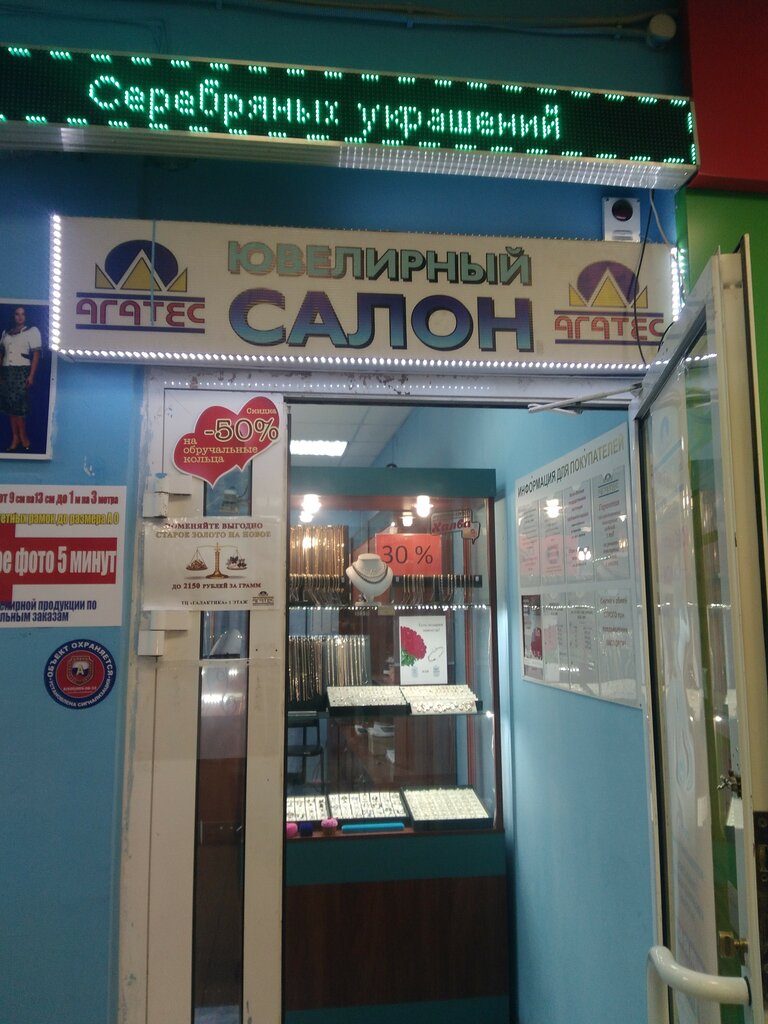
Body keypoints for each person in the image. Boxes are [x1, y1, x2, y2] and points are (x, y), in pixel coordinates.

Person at [0, 306, 41, 451]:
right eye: (17, 314)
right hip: (7, 371)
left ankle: (23, 436)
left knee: (19, 406)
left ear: (26, 316)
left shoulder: (32, 331)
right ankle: (15, 437)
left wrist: (31, 375)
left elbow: (36, 354)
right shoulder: (6, 332)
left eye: (22, 314)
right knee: (10, 406)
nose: (20, 317)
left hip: (22, 370)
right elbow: (2, 353)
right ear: (13, 316)